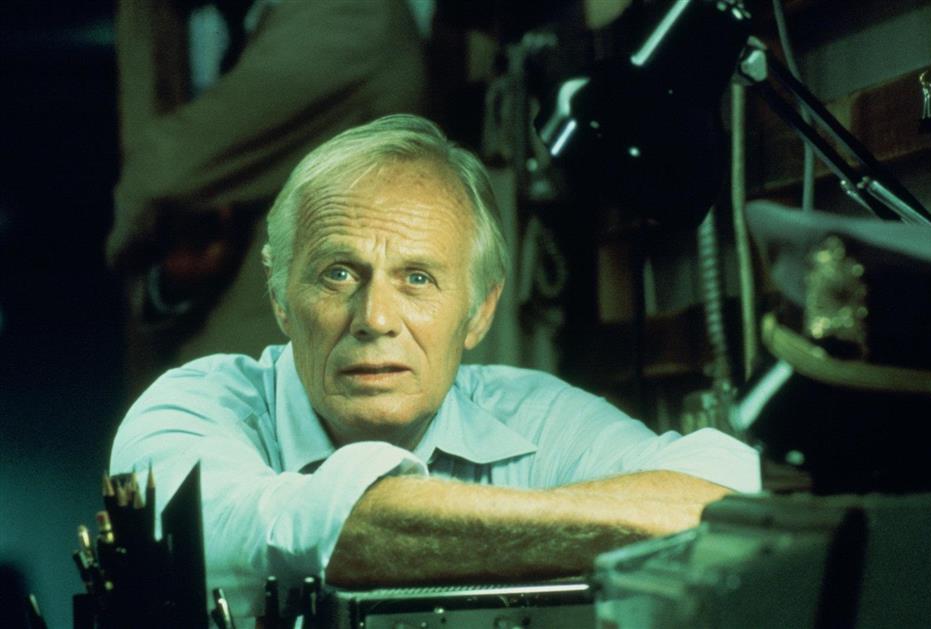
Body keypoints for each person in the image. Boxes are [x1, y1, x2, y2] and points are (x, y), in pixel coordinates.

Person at [111, 114, 760, 621]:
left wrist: (466, 530)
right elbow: (290, 530)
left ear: (479, 312)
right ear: (281, 297)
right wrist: (582, 526)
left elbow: (734, 496)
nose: (375, 317)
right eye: (338, 273)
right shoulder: (191, 408)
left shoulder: (529, 414)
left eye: (417, 278)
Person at [108, 0, 426, 397]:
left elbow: (159, 171)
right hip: (248, 353)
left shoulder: (346, 17)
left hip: (285, 374)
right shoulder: (255, 19)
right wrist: (172, 280)